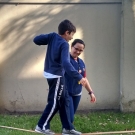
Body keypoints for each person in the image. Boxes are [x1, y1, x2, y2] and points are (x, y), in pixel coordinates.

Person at [33, 19, 87, 135]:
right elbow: (66, 63)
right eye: (72, 34)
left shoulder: (52, 36)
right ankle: (41, 126)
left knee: (63, 100)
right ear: (67, 32)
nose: (72, 38)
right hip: (57, 75)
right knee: (54, 102)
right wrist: (79, 77)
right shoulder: (64, 43)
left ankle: (67, 128)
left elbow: (36, 40)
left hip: (49, 72)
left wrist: (48, 39)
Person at [65, 39, 96, 124]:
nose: (78, 52)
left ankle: (67, 130)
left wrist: (91, 92)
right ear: (71, 46)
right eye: (76, 49)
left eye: (81, 50)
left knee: (70, 118)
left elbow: (84, 79)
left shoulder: (81, 62)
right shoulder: (65, 60)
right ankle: (67, 131)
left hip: (77, 93)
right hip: (67, 93)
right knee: (69, 118)